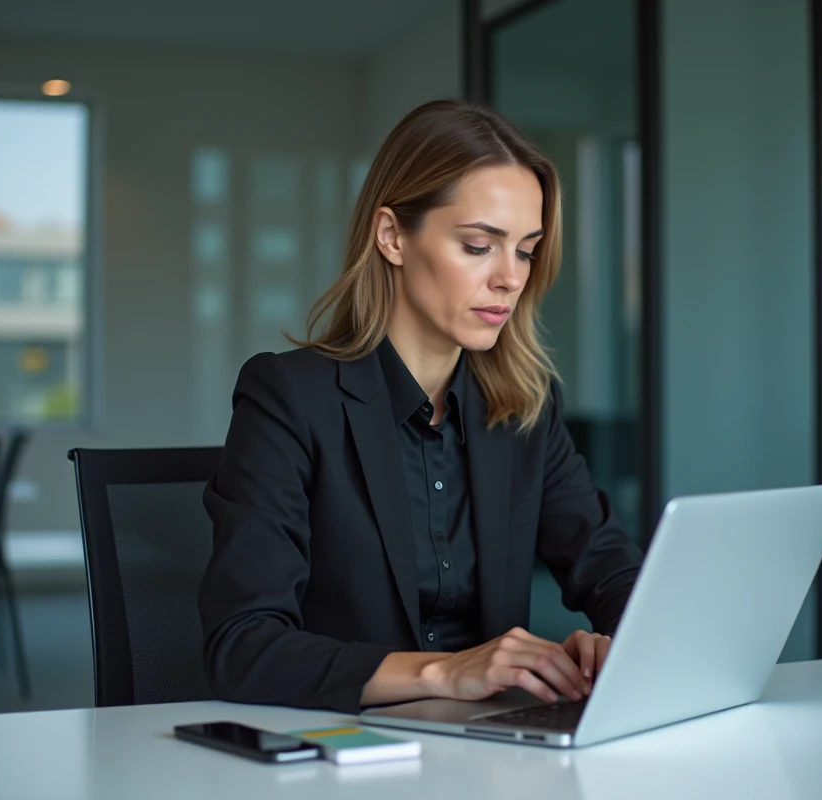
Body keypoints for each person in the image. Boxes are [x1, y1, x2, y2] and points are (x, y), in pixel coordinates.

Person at [199, 100, 644, 714]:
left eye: (525, 249)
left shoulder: (526, 410)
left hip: (492, 750)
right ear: (392, 237)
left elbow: (612, 569)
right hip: (348, 753)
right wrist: (444, 672)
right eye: (478, 245)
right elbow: (242, 649)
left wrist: (628, 641)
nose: (511, 278)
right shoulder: (288, 398)